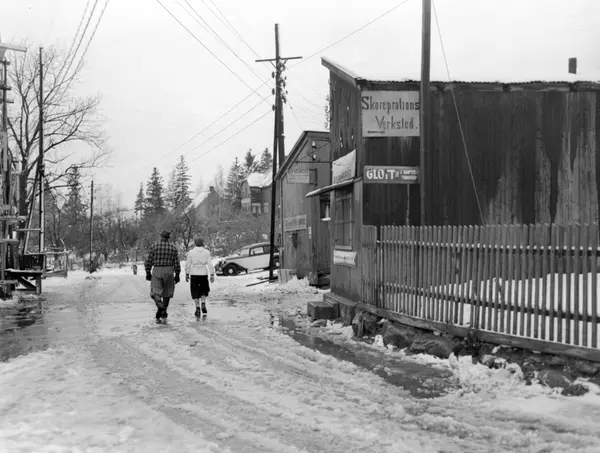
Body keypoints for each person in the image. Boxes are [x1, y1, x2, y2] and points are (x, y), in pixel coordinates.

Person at [144, 230, 181, 322]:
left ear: (161, 237)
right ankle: (163, 311)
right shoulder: (173, 248)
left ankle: (161, 307)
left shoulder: (154, 246)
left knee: (155, 292)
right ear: (168, 238)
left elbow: (149, 260)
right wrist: (177, 274)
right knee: (167, 293)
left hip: (157, 270)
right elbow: (176, 262)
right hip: (169, 270)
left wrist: (148, 272)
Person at [185, 237, 215, 317]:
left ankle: (197, 308)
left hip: (194, 273)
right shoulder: (206, 252)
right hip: (203, 273)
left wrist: (187, 273)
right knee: (203, 290)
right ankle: (203, 303)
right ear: (202, 243)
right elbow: (210, 264)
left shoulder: (191, 252)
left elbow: (188, 264)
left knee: (195, 291)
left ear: (195, 243)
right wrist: (212, 274)